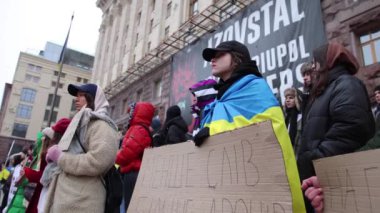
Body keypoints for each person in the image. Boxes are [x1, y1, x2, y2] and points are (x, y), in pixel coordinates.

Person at [194, 40, 305, 212]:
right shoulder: (222, 96)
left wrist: (212, 133)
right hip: (232, 191)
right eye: (212, 57)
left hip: (263, 193)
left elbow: (267, 135)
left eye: (219, 55)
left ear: (237, 58)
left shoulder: (256, 88)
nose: (212, 60)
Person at [297, 42, 375, 212]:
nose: (313, 67)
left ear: (327, 62)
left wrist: (315, 158)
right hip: (317, 182)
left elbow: (351, 129)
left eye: (315, 62)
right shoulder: (324, 90)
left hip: (331, 180)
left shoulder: (346, 84)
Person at [42, 83, 119, 213]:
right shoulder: (79, 124)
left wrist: (60, 157)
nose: (76, 99)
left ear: (92, 98)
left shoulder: (102, 126)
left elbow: (97, 161)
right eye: (76, 96)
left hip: (82, 203)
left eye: (81, 95)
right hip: (68, 199)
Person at [21, 119, 70, 213]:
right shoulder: (45, 153)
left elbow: (47, 175)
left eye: (45, 138)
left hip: (45, 194)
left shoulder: (53, 153)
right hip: (40, 193)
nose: (42, 140)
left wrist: (28, 172)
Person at [116, 102, 155, 211]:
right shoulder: (137, 128)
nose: (130, 116)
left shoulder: (138, 129)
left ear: (138, 113)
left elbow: (126, 154)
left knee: (130, 207)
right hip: (132, 173)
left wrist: (115, 155)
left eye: (132, 113)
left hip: (133, 174)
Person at [283, 87, 302, 154]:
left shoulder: (301, 117)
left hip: (298, 153)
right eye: (286, 98)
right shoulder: (286, 118)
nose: (287, 100)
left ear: (296, 99)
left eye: (291, 98)